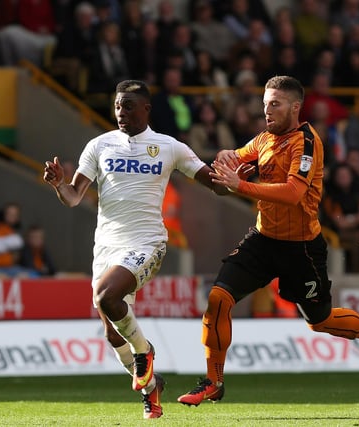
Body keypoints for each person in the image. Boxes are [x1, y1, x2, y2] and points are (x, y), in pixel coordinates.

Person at [177, 75, 359, 407]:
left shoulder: (306, 142)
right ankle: (213, 381)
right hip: (263, 240)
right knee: (218, 299)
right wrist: (226, 158)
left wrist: (240, 185)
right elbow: (236, 160)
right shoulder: (264, 139)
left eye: (275, 104)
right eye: (265, 104)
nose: (267, 111)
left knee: (319, 321)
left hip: (302, 248)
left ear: (295, 107)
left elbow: (294, 193)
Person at [43, 80, 244, 419]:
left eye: (129, 106)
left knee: (107, 297)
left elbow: (213, 184)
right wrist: (59, 184)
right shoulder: (99, 145)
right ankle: (153, 389)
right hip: (106, 246)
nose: (122, 112)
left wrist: (233, 180)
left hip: (147, 242)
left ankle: (145, 351)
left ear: (146, 109)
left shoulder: (169, 147)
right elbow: (74, 197)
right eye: (118, 106)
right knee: (110, 330)